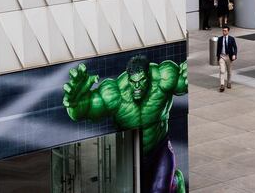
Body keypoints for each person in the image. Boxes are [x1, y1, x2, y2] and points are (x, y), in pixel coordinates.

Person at [63, 55, 188, 193]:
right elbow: (84, 110)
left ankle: (176, 182)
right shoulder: (115, 95)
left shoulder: (163, 78)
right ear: (128, 79)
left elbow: (183, 82)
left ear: (149, 76)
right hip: (130, 153)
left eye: (141, 81)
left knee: (158, 190)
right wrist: (75, 105)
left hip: (159, 148)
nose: (137, 87)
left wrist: (187, 71)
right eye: (133, 82)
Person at [216, 26, 237, 92]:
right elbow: (218, 48)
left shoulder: (231, 39)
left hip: (229, 56)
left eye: (225, 30)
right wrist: (218, 57)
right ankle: (222, 85)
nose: (224, 32)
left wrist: (234, 55)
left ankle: (229, 82)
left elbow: (235, 47)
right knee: (222, 71)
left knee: (229, 71)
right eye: (223, 30)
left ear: (228, 31)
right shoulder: (220, 39)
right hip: (222, 56)